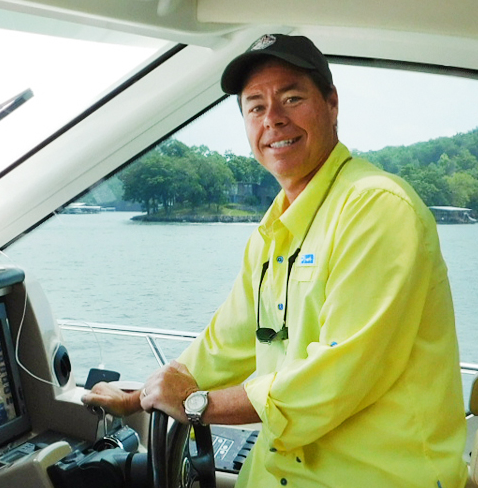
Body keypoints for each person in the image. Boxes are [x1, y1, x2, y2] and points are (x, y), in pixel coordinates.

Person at [82, 34, 468, 487]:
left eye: (291, 98)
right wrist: (140, 397)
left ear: (331, 104)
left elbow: (336, 377)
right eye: (256, 106)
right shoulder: (273, 231)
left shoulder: (376, 208)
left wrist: (198, 405)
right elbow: (226, 345)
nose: (274, 120)